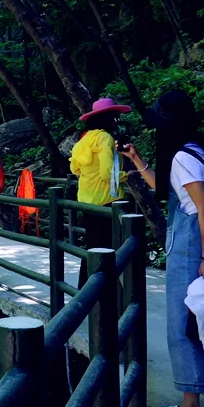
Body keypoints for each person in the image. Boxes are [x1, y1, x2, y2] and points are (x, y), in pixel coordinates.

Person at [120, 90, 204, 407]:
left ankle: (190, 406)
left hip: (192, 248)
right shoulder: (200, 152)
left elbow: (203, 209)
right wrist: (138, 161)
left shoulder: (183, 157)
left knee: (182, 324)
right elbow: (172, 192)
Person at [69, 97, 131, 286]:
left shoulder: (85, 139)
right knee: (108, 247)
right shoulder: (105, 138)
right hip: (106, 200)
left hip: (87, 201)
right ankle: (103, 288)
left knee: (93, 246)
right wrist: (127, 175)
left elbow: (75, 169)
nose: (118, 121)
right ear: (108, 118)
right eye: (115, 117)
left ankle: (85, 288)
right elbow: (106, 173)